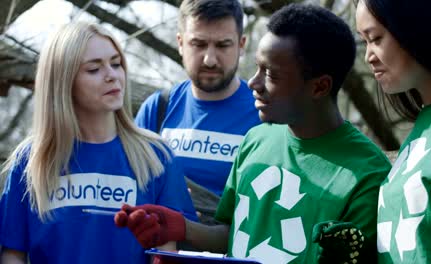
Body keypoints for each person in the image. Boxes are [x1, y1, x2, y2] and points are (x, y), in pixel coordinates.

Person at [115, 4, 392, 263]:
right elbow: (231, 232)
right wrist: (182, 228)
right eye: (257, 67)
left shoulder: (368, 175)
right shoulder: (255, 140)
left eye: (271, 75)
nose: (253, 83)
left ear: (319, 87)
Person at [0, 22, 197, 264]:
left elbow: (169, 254)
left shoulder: (157, 156)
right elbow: (12, 254)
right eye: (94, 69)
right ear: (63, 82)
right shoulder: (30, 161)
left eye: (116, 64)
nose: (112, 75)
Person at [355, 0, 431, 263]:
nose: (368, 56)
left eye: (376, 38)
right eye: (364, 41)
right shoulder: (426, 124)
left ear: (417, 28)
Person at [135, 0, 261, 197]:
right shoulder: (157, 109)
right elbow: (135, 187)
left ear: (241, 45)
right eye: (198, 44)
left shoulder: (264, 113)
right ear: (180, 43)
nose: (209, 59)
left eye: (223, 45)